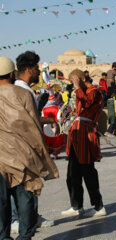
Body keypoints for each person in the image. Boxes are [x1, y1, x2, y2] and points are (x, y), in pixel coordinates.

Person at [0, 56, 59, 240]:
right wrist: (42, 156)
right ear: (12, 73)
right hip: (22, 158)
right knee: (26, 202)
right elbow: (33, 127)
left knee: (1, 205)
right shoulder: (23, 94)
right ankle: (24, 237)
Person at [61, 69, 106, 217]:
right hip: (77, 133)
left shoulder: (94, 91)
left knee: (88, 170)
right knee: (72, 172)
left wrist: (77, 87)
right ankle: (76, 205)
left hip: (85, 134)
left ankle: (99, 206)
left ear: (79, 79)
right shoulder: (83, 91)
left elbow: (87, 103)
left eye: (73, 81)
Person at [42, 92, 66, 160]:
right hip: (56, 126)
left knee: (48, 140)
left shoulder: (44, 109)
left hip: (46, 127)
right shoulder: (58, 108)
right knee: (56, 141)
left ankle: (48, 155)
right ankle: (56, 155)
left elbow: (42, 117)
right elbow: (59, 118)